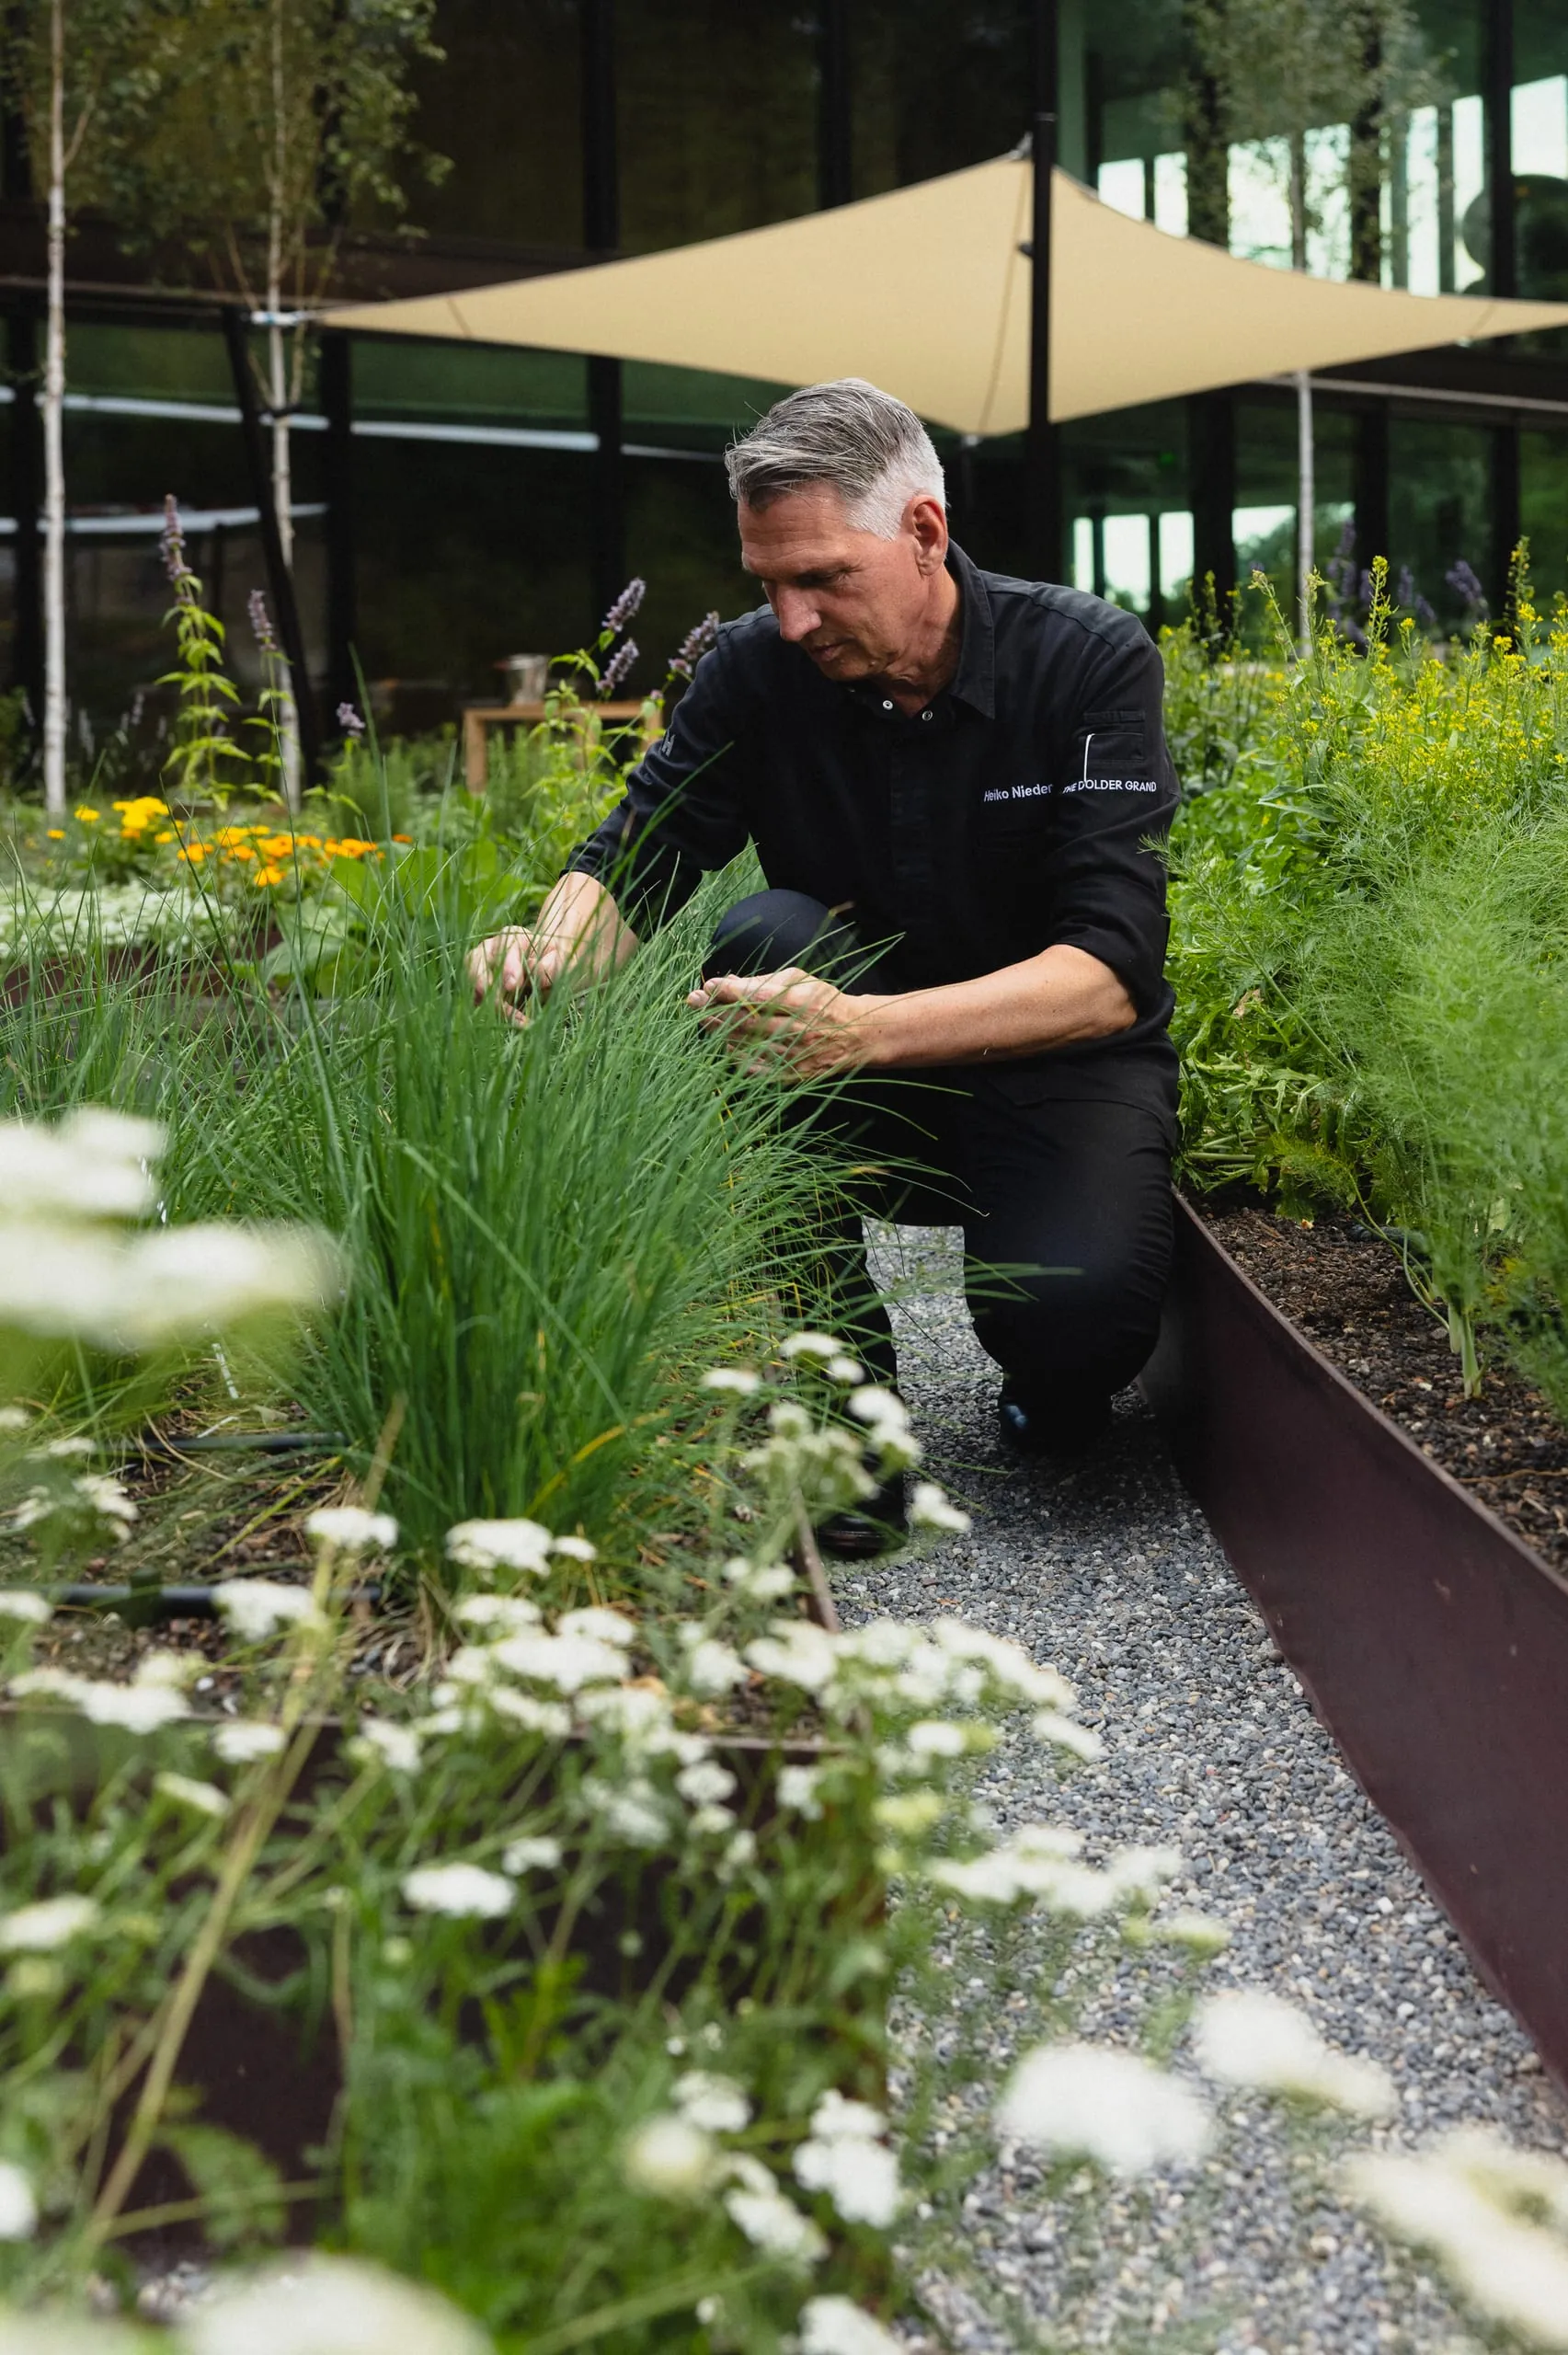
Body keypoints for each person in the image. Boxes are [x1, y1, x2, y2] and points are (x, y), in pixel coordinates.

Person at [471, 378, 1179, 1546]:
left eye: (822, 579)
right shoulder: (757, 670)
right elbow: (639, 851)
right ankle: (843, 1423)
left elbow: (1108, 973)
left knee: (1078, 1329)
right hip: (848, 1065)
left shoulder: (1085, 662)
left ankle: (1049, 1377)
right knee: (763, 934)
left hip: (1053, 1062)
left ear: (923, 534)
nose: (791, 619)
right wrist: (543, 949)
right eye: (767, 584)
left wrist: (869, 1030)